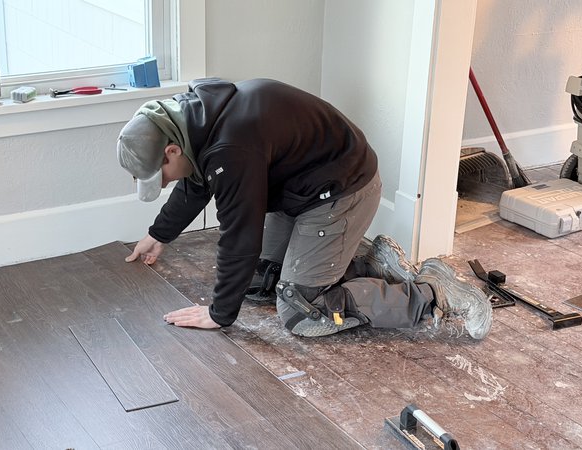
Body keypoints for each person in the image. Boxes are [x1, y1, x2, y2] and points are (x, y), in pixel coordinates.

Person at [117, 78, 492, 339]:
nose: (164, 184)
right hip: (302, 190)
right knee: (258, 279)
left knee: (302, 311)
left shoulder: (231, 150)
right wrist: (158, 235)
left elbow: (240, 237)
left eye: (161, 176)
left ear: (171, 150)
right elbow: (195, 181)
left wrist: (218, 315)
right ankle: (369, 264)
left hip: (343, 191)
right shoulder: (195, 118)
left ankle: (432, 295)